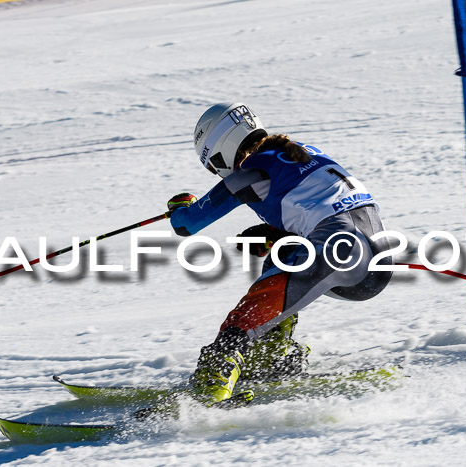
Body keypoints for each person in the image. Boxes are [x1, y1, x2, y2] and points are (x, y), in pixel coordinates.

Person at [167, 103, 393, 406]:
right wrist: (277, 236)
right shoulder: (302, 152)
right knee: (281, 256)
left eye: (211, 167)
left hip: (340, 248)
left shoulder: (252, 171)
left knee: (256, 302)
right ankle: (271, 357)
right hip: (373, 258)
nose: (216, 173)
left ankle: (215, 378)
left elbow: (187, 224)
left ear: (219, 151)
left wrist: (181, 206)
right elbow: (323, 205)